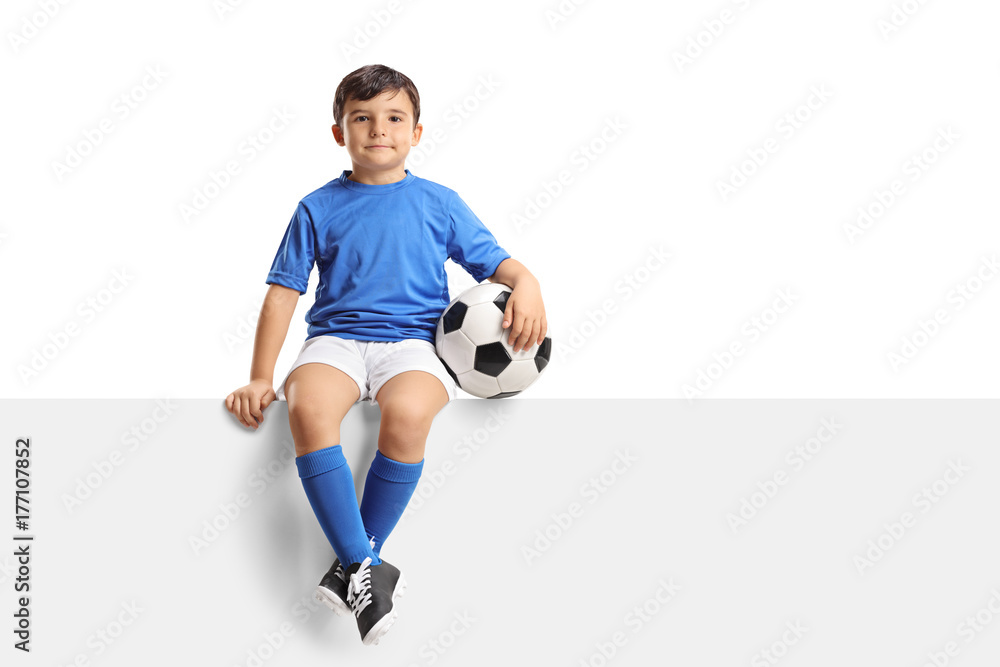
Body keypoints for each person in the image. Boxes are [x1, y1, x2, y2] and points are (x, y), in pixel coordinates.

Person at [224, 64, 547, 646]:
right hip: (335, 341)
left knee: (410, 413)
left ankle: (352, 566)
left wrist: (530, 284)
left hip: (413, 344)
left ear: (417, 132)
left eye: (395, 118)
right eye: (362, 118)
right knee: (308, 409)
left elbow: (501, 264)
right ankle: (370, 566)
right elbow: (282, 296)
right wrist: (258, 377)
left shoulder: (439, 202)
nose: (379, 129)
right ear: (338, 132)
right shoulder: (316, 207)